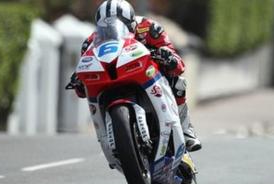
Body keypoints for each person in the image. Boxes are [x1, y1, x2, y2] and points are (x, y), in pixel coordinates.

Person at [69, 0, 201, 152]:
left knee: (178, 83)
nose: (110, 31)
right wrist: (79, 80)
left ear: (131, 22)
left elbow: (178, 63)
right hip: (113, 81)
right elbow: (81, 89)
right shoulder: (90, 42)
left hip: (148, 75)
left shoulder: (149, 28)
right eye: (105, 28)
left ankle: (186, 130)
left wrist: (167, 57)